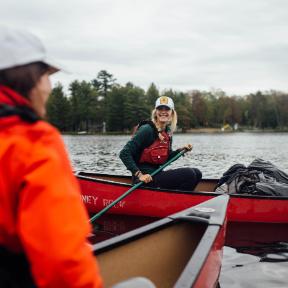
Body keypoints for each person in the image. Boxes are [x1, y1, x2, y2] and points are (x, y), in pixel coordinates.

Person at [0, 27, 103, 287]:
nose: (50, 87)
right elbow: (63, 264)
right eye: (47, 76)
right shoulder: (32, 142)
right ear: (31, 79)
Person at [119, 96, 202, 191]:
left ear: (172, 112)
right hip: (144, 180)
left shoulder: (168, 132)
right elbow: (124, 153)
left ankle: (178, 201)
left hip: (157, 175)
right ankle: (175, 202)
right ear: (155, 112)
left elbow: (166, 159)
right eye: (160, 108)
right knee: (189, 174)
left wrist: (180, 150)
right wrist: (140, 175)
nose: (163, 111)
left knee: (197, 173)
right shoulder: (147, 129)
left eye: (167, 109)